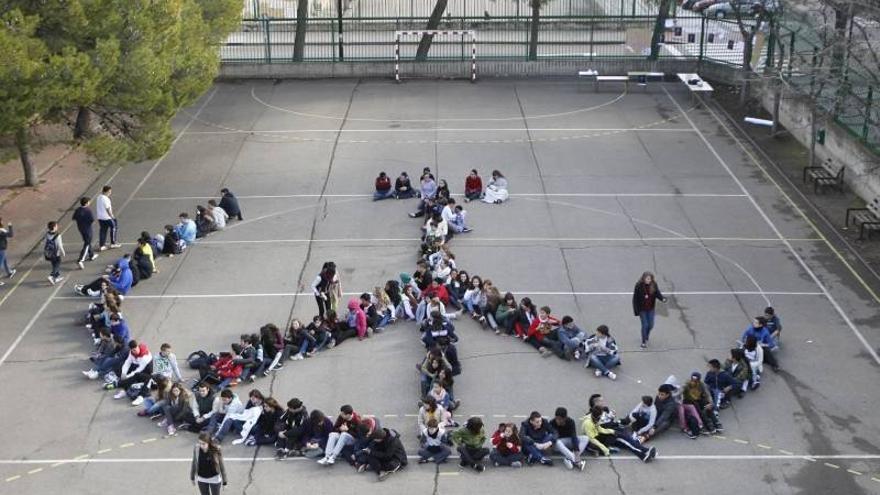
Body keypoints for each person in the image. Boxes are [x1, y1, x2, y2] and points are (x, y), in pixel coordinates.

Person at [632, 271, 667, 348]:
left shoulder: (653, 285)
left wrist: (662, 298)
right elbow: (635, 299)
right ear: (643, 278)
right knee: (645, 325)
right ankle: (643, 342)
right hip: (642, 309)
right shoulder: (638, 285)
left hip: (650, 308)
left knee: (651, 325)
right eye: (647, 279)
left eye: (650, 279)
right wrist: (636, 310)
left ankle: (646, 335)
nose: (648, 280)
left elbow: (657, 293)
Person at [72, 198, 99, 270]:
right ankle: (81, 259)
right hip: (87, 229)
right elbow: (92, 220)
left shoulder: (78, 210)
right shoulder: (88, 211)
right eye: (89, 202)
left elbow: (74, 218)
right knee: (87, 243)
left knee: (87, 241)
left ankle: (91, 255)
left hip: (80, 228)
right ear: (86, 203)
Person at [96, 185, 121, 251]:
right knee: (113, 228)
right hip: (107, 217)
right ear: (106, 191)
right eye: (109, 192)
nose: (110, 193)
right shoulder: (106, 198)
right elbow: (107, 208)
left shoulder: (99, 197)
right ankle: (113, 243)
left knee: (103, 231)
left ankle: (102, 245)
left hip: (100, 217)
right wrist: (111, 216)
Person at [0, 218, 14, 283]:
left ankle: (9, 272)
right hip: (1, 249)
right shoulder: (1, 231)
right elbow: (11, 235)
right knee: (0, 263)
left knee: (4, 260)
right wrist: (10, 226)